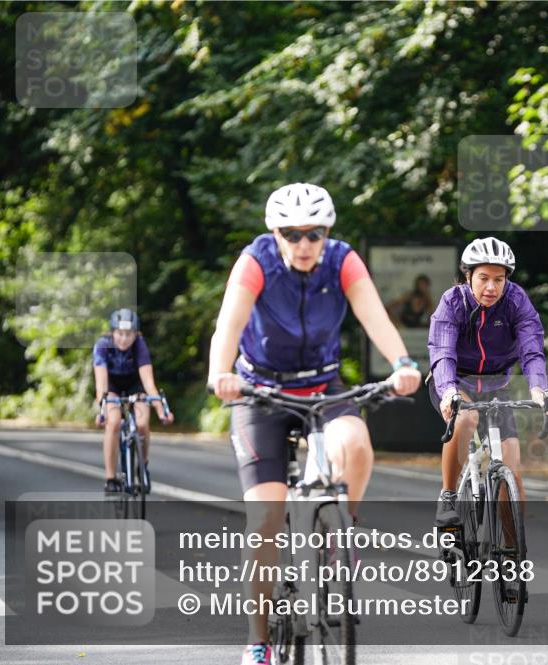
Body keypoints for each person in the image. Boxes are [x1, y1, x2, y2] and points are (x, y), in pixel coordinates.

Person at [207, 182, 421, 665]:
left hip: (323, 387)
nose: (304, 244)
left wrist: (403, 362)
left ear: (327, 233)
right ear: (276, 233)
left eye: (315, 233)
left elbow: (375, 318)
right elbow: (230, 324)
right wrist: (221, 373)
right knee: (264, 520)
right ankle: (259, 640)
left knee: (358, 445)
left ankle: (339, 532)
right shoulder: (255, 261)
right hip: (260, 391)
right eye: (292, 233)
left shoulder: (342, 260)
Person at [427, 237, 548, 528]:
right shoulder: (452, 302)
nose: (491, 288)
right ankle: (447, 494)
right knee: (466, 419)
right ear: (468, 275)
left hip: (497, 386)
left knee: (514, 477)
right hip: (455, 381)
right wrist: (448, 393)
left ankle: (512, 561)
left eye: (499, 279)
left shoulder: (515, 300)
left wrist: (539, 388)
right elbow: (443, 353)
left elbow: (531, 349)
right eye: (483, 278)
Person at [93, 308, 173, 493]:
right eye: (120, 333)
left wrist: (162, 412)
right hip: (111, 387)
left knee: (143, 423)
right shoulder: (102, 345)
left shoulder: (139, 345)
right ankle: (111, 478)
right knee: (113, 423)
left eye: (129, 334)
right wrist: (103, 411)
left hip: (135, 385)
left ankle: (142, 467)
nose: (124, 339)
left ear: (135, 334)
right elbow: (101, 386)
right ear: (112, 332)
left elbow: (149, 382)